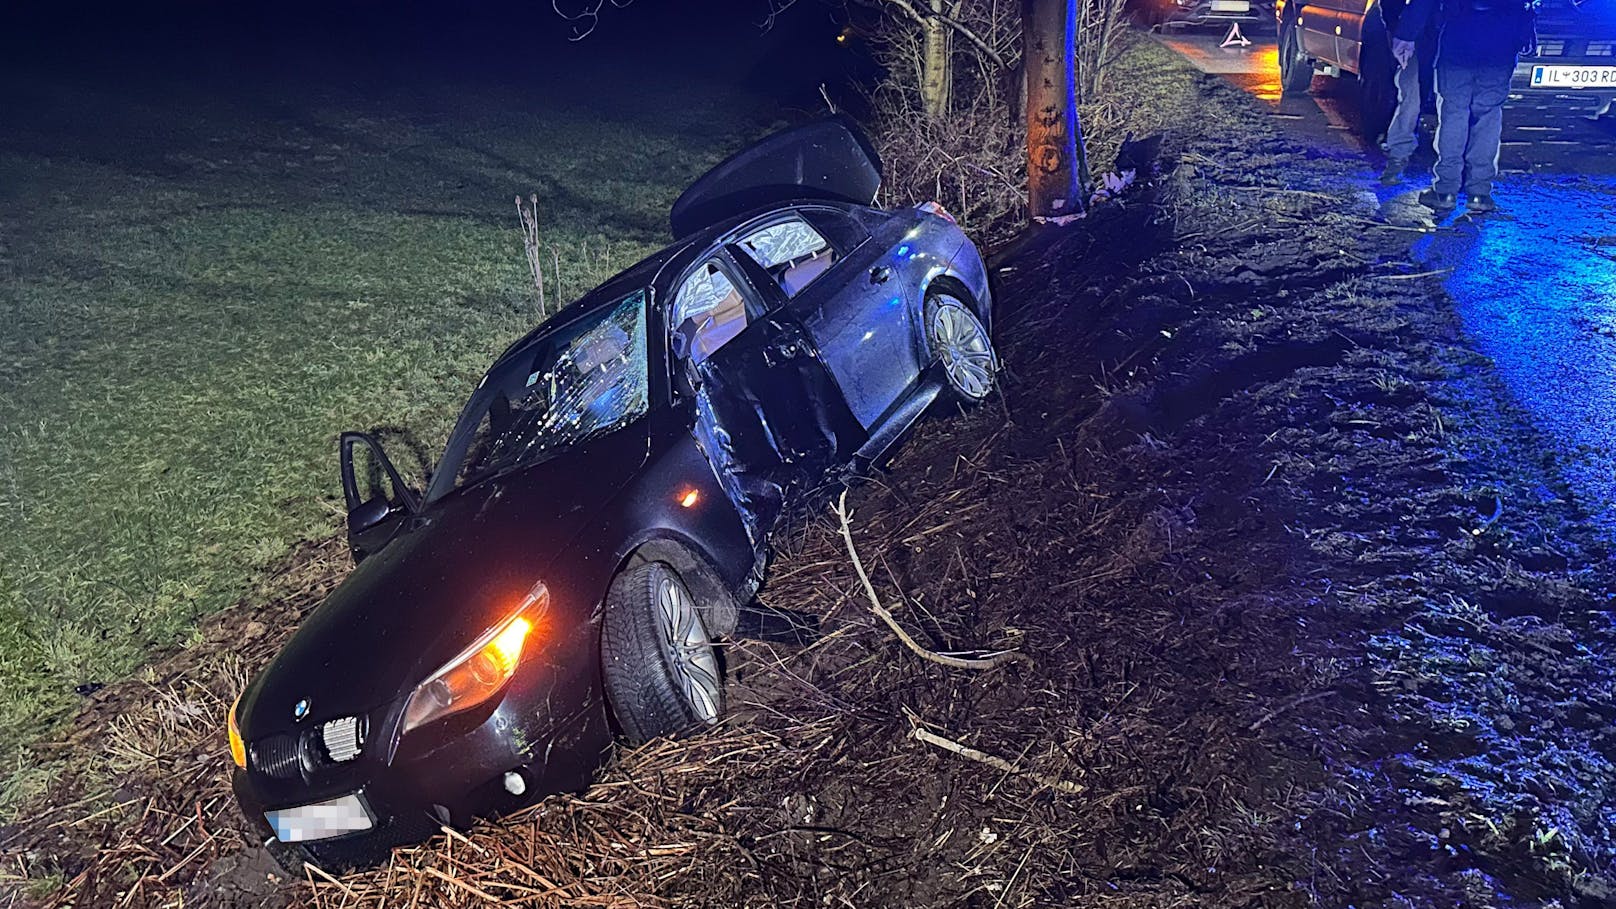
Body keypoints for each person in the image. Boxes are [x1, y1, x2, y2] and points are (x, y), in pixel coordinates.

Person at [1393, 0, 1536, 212]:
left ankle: (1445, 190)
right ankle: (1480, 193)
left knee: (1453, 114)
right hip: (1501, 43)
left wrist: (1406, 35)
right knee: (1489, 117)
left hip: (1458, 40)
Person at [1380, 0, 1435, 185]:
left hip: (1431, 34)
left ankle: (1399, 156)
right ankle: (1398, 155)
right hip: (1421, 35)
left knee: (1412, 97)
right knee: (1412, 96)